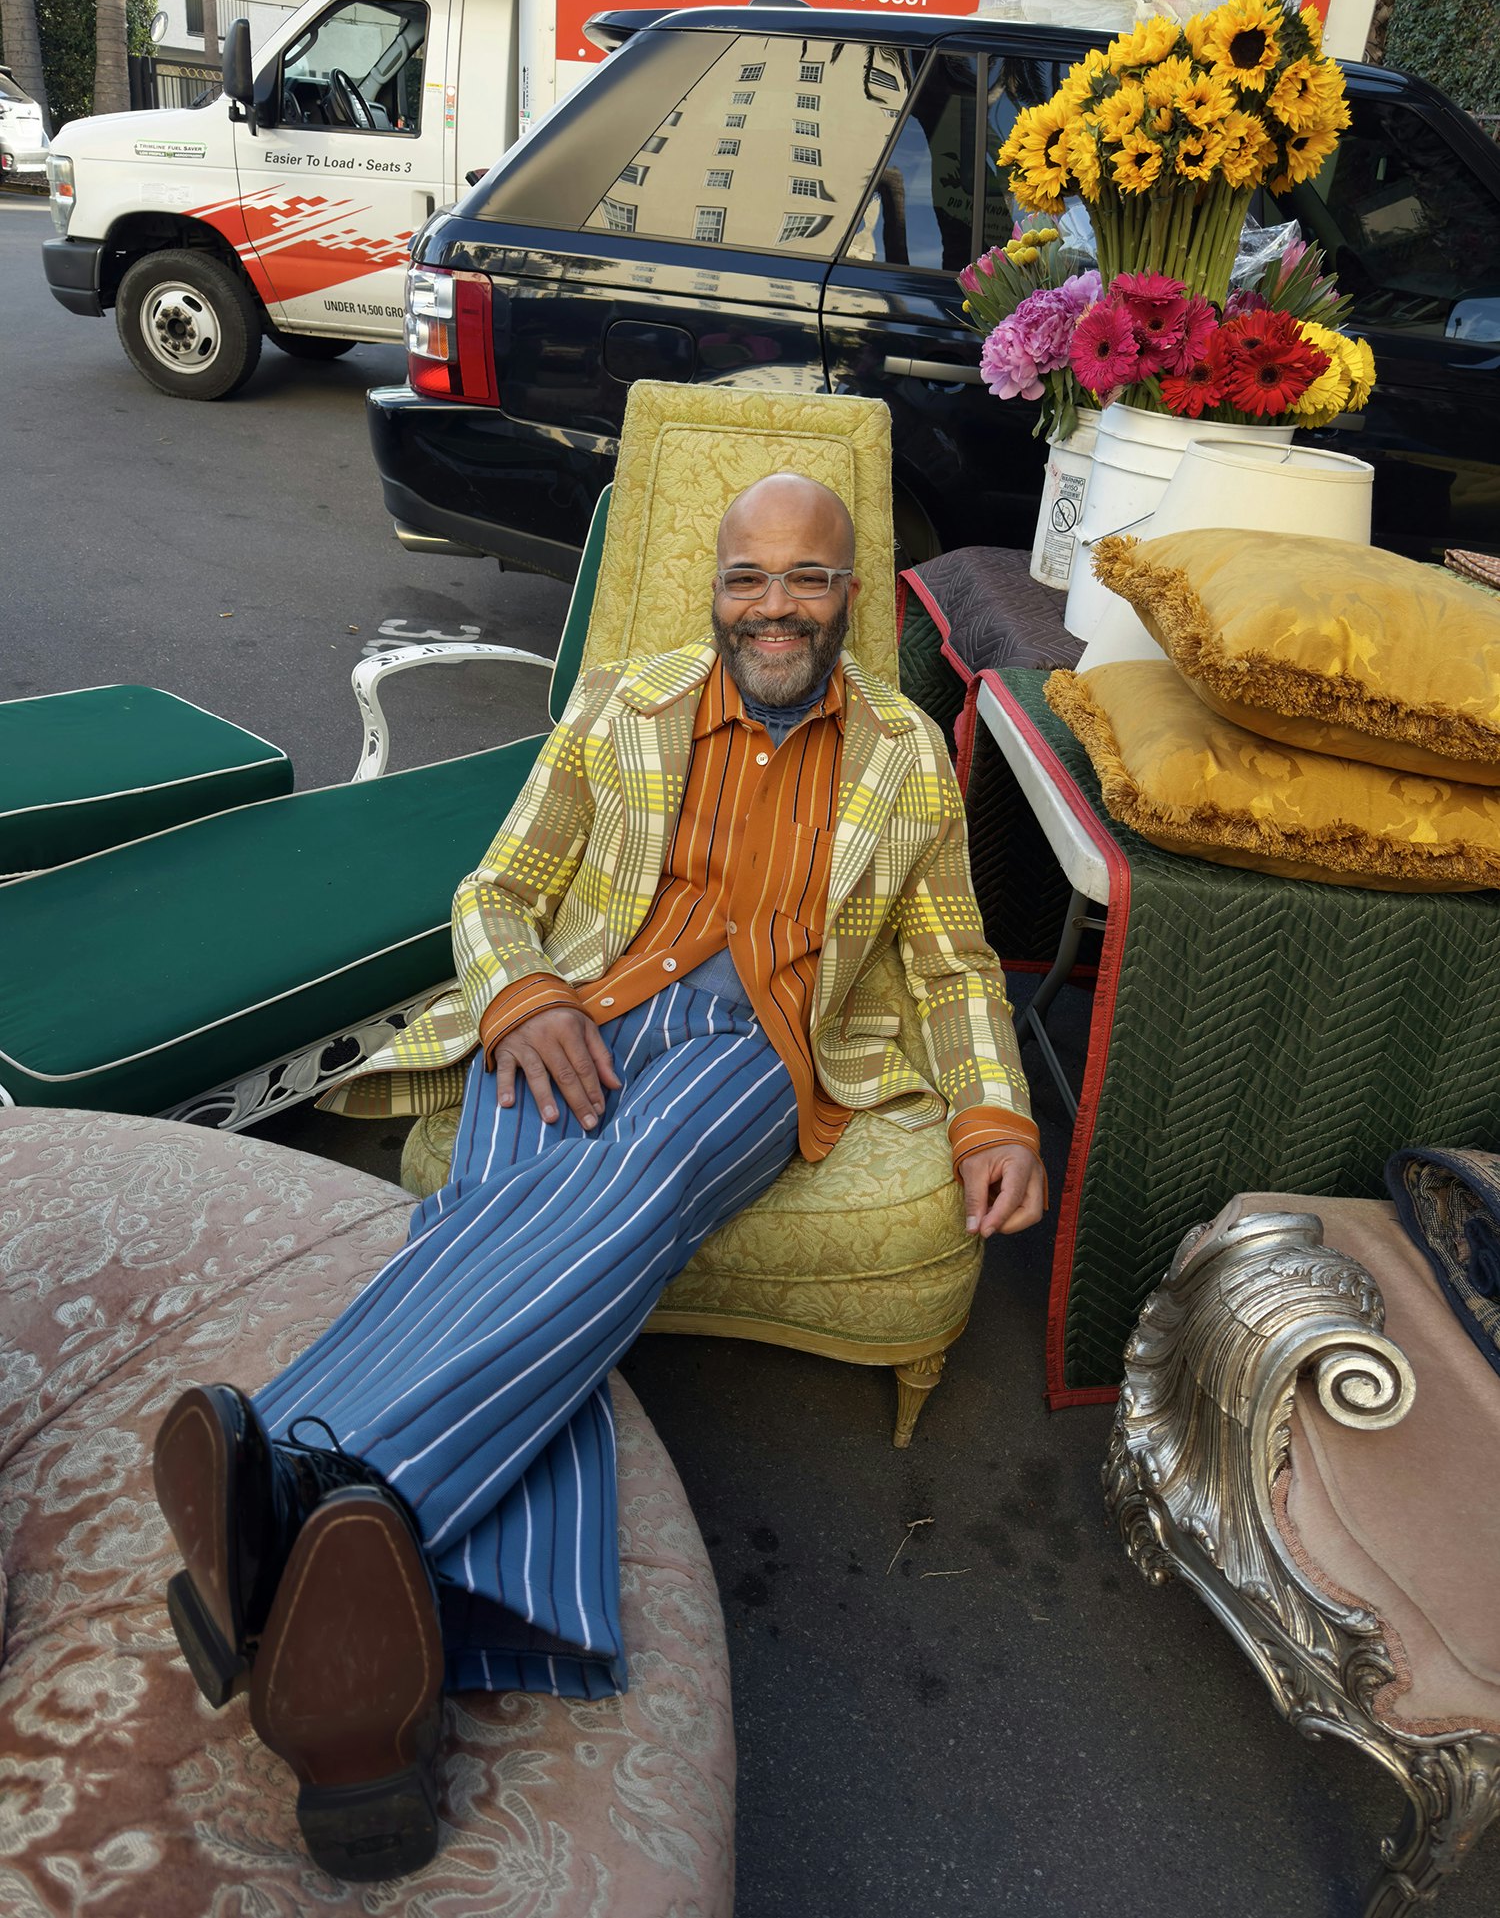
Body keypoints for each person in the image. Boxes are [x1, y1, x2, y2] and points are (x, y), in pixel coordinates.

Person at [152, 472, 1045, 1882]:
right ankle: (374, 1715)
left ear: (849, 596)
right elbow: (497, 891)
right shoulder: (622, 706)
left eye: (805, 578)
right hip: (581, 1005)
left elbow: (951, 961)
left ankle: (296, 1462)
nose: (774, 605)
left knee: (624, 1194)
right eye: (748, 574)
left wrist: (996, 1113)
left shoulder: (906, 753)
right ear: (715, 585)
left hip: (758, 1042)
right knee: (521, 1214)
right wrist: (526, 1001)